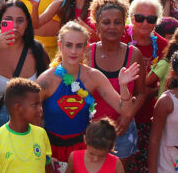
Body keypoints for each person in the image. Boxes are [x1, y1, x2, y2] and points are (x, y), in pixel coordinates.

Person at [37, 22, 138, 163]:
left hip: (84, 149)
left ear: (85, 48)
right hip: (50, 150)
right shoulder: (46, 80)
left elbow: (126, 112)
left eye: (79, 46)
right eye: (69, 45)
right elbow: (29, 119)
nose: (73, 51)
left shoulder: (93, 76)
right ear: (60, 46)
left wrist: (123, 86)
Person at [0, 0, 50, 156]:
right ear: (0, 21)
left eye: (20, 20)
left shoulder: (37, 50)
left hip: (25, 119)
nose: (14, 26)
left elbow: (47, 86)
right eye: (8, 20)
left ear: (27, 23)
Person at [84, 0, 145, 165]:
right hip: (91, 131)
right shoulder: (87, 53)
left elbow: (141, 93)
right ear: (97, 26)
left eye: (117, 22)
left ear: (124, 26)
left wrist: (128, 116)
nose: (112, 27)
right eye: (106, 22)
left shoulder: (134, 54)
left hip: (122, 131)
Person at [0, 78, 51, 173]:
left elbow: (47, 167)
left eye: (41, 104)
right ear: (18, 108)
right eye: (35, 105)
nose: (41, 109)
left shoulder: (41, 134)